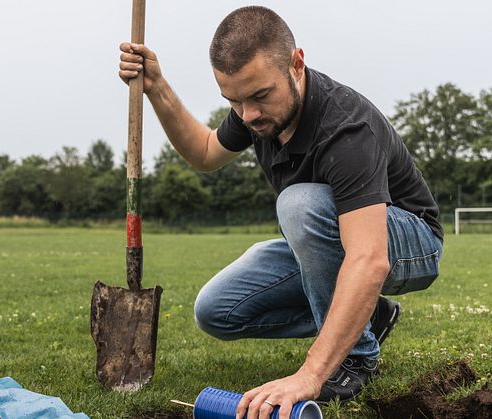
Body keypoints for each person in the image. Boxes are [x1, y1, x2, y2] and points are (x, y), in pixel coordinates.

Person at [119, 5, 443, 419]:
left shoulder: (346, 130)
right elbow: (203, 152)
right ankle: (367, 314)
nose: (248, 115)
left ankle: (357, 356)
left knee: (299, 204)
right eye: (233, 101)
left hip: (409, 240)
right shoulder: (255, 113)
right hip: (337, 239)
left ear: (296, 63)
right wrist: (157, 87)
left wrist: (310, 374)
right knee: (216, 310)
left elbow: (369, 258)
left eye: (259, 96)